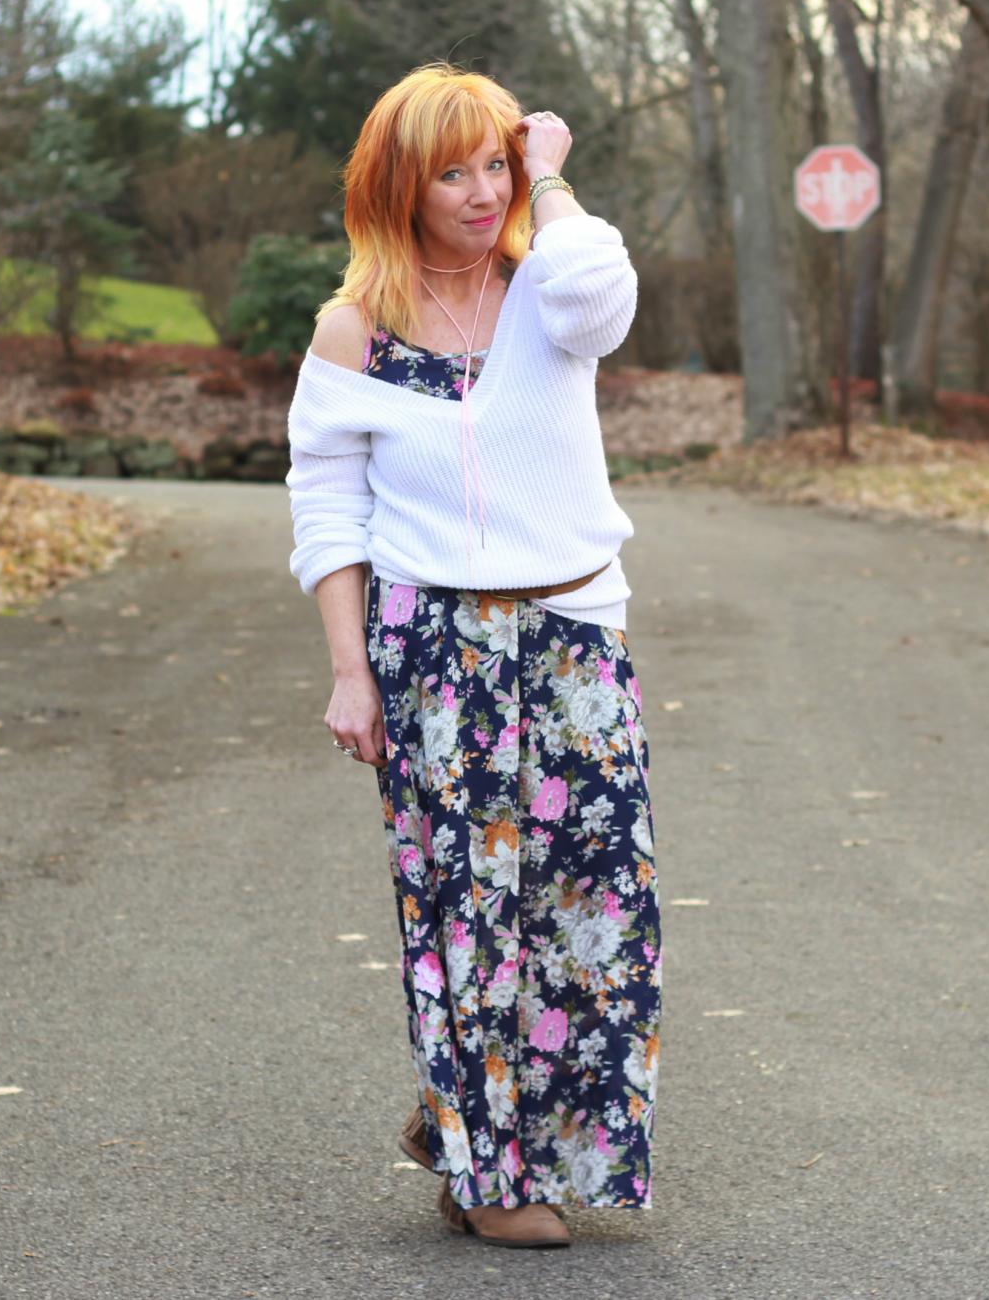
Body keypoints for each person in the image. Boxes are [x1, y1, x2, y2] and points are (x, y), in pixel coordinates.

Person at [282, 63, 662, 1249]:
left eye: (494, 164)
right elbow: (327, 507)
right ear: (400, 184)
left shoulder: (550, 286)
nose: (480, 190)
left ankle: (495, 1131)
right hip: (434, 651)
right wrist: (352, 674)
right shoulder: (355, 331)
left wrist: (551, 176)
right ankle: (490, 1173)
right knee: (465, 912)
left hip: (570, 634)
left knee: (595, 903)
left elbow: (607, 293)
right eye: (455, 170)